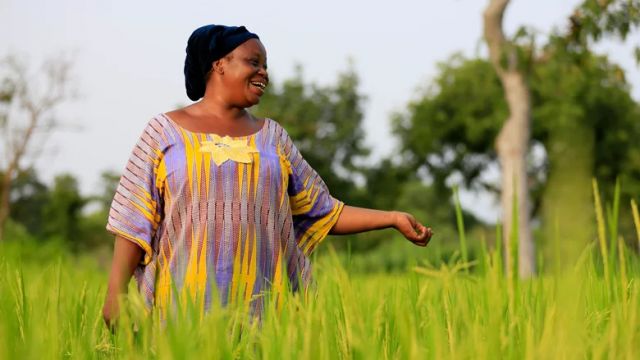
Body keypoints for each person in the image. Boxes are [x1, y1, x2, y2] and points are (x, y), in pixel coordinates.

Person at [102, 24, 432, 326]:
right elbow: (133, 223)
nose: (264, 73)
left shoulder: (273, 138)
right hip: (176, 319)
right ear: (219, 64)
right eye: (253, 62)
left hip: (264, 319)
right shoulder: (163, 132)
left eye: (265, 66)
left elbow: (324, 211)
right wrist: (114, 298)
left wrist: (392, 218)